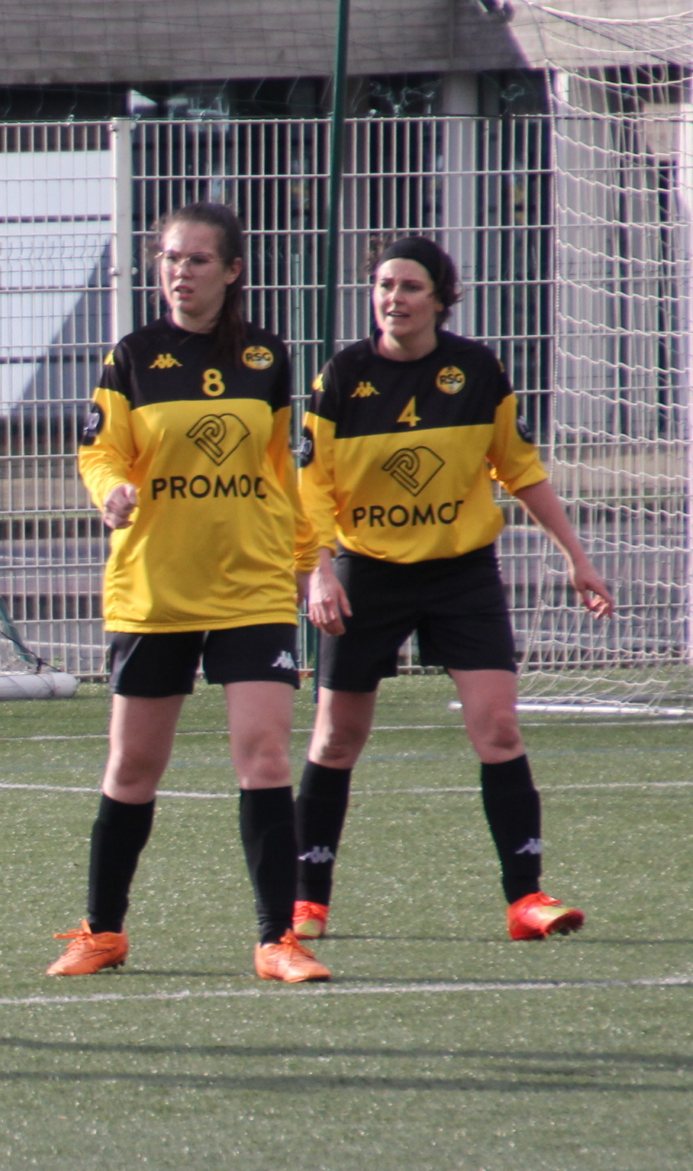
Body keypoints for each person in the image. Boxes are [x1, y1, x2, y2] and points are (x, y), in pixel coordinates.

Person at [295, 235, 614, 942]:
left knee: (498, 727)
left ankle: (526, 899)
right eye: (383, 285)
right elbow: (311, 488)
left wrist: (576, 555)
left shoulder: (476, 370)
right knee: (337, 736)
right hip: (365, 572)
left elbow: (518, 467)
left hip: (461, 572)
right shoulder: (343, 376)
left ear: (441, 298)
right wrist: (318, 571)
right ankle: (307, 898)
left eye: (410, 286)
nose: (393, 298)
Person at [50, 202, 329, 984]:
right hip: (155, 588)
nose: (180, 271)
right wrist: (109, 493)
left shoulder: (268, 357)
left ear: (232, 271)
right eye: (170, 258)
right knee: (134, 765)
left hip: (252, 583)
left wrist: (314, 567)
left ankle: (279, 939)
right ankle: (103, 930)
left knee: (266, 753)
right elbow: (101, 452)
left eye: (199, 259)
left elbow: (286, 477)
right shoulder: (132, 355)